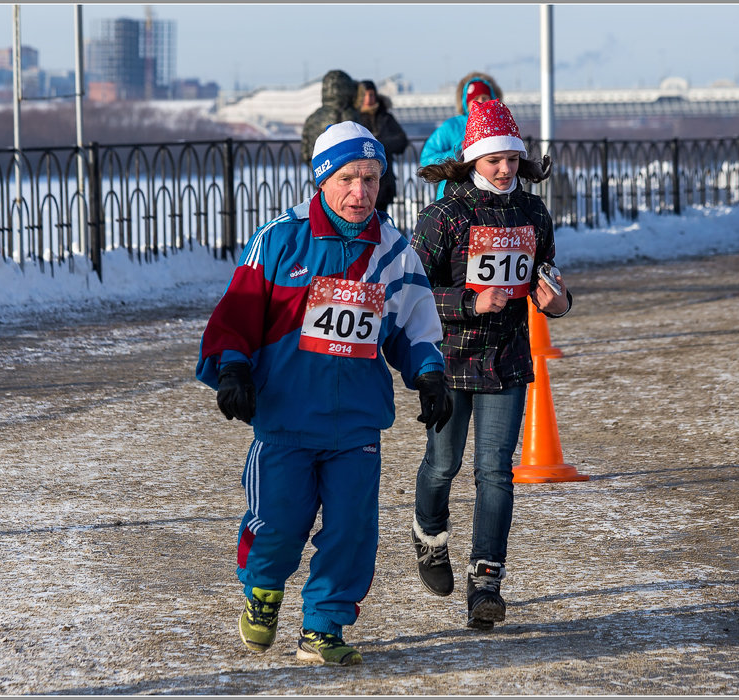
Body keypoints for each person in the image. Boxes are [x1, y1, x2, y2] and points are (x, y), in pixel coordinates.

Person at [196, 121, 452, 666]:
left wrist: (429, 374)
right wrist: (234, 370)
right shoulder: (280, 239)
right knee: (279, 526)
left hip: (356, 423)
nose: (361, 193)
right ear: (322, 180)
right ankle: (263, 590)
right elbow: (236, 316)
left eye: (372, 179)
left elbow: (415, 328)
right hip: (286, 420)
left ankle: (323, 627)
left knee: (351, 534)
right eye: (349, 179)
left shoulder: (395, 251)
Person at [409, 99, 572, 631]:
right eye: (493, 159)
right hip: (450, 359)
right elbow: (409, 296)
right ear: (473, 159)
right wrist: (468, 304)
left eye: (511, 159)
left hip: (506, 360)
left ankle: (487, 582)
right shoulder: (444, 216)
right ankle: (430, 536)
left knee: (495, 471)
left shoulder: (533, 213)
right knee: (442, 465)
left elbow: (549, 279)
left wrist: (557, 302)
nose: (505, 169)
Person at [419, 71, 503, 200]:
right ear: (466, 103)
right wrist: (458, 154)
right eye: (475, 99)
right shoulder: (452, 126)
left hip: (491, 194)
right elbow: (426, 158)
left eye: (485, 98)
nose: (480, 102)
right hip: (454, 195)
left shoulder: (501, 125)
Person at [355, 80, 408, 214]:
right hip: (361, 181)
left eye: (371, 94)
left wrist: (378, 145)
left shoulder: (385, 117)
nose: (368, 99)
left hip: (385, 181)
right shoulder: (355, 118)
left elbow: (402, 141)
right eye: (365, 95)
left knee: (381, 222)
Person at [300, 70, 361, 167]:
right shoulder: (354, 116)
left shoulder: (313, 118)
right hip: (351, 173)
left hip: (321, 173)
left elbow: (305, 153)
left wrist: (319, 168)